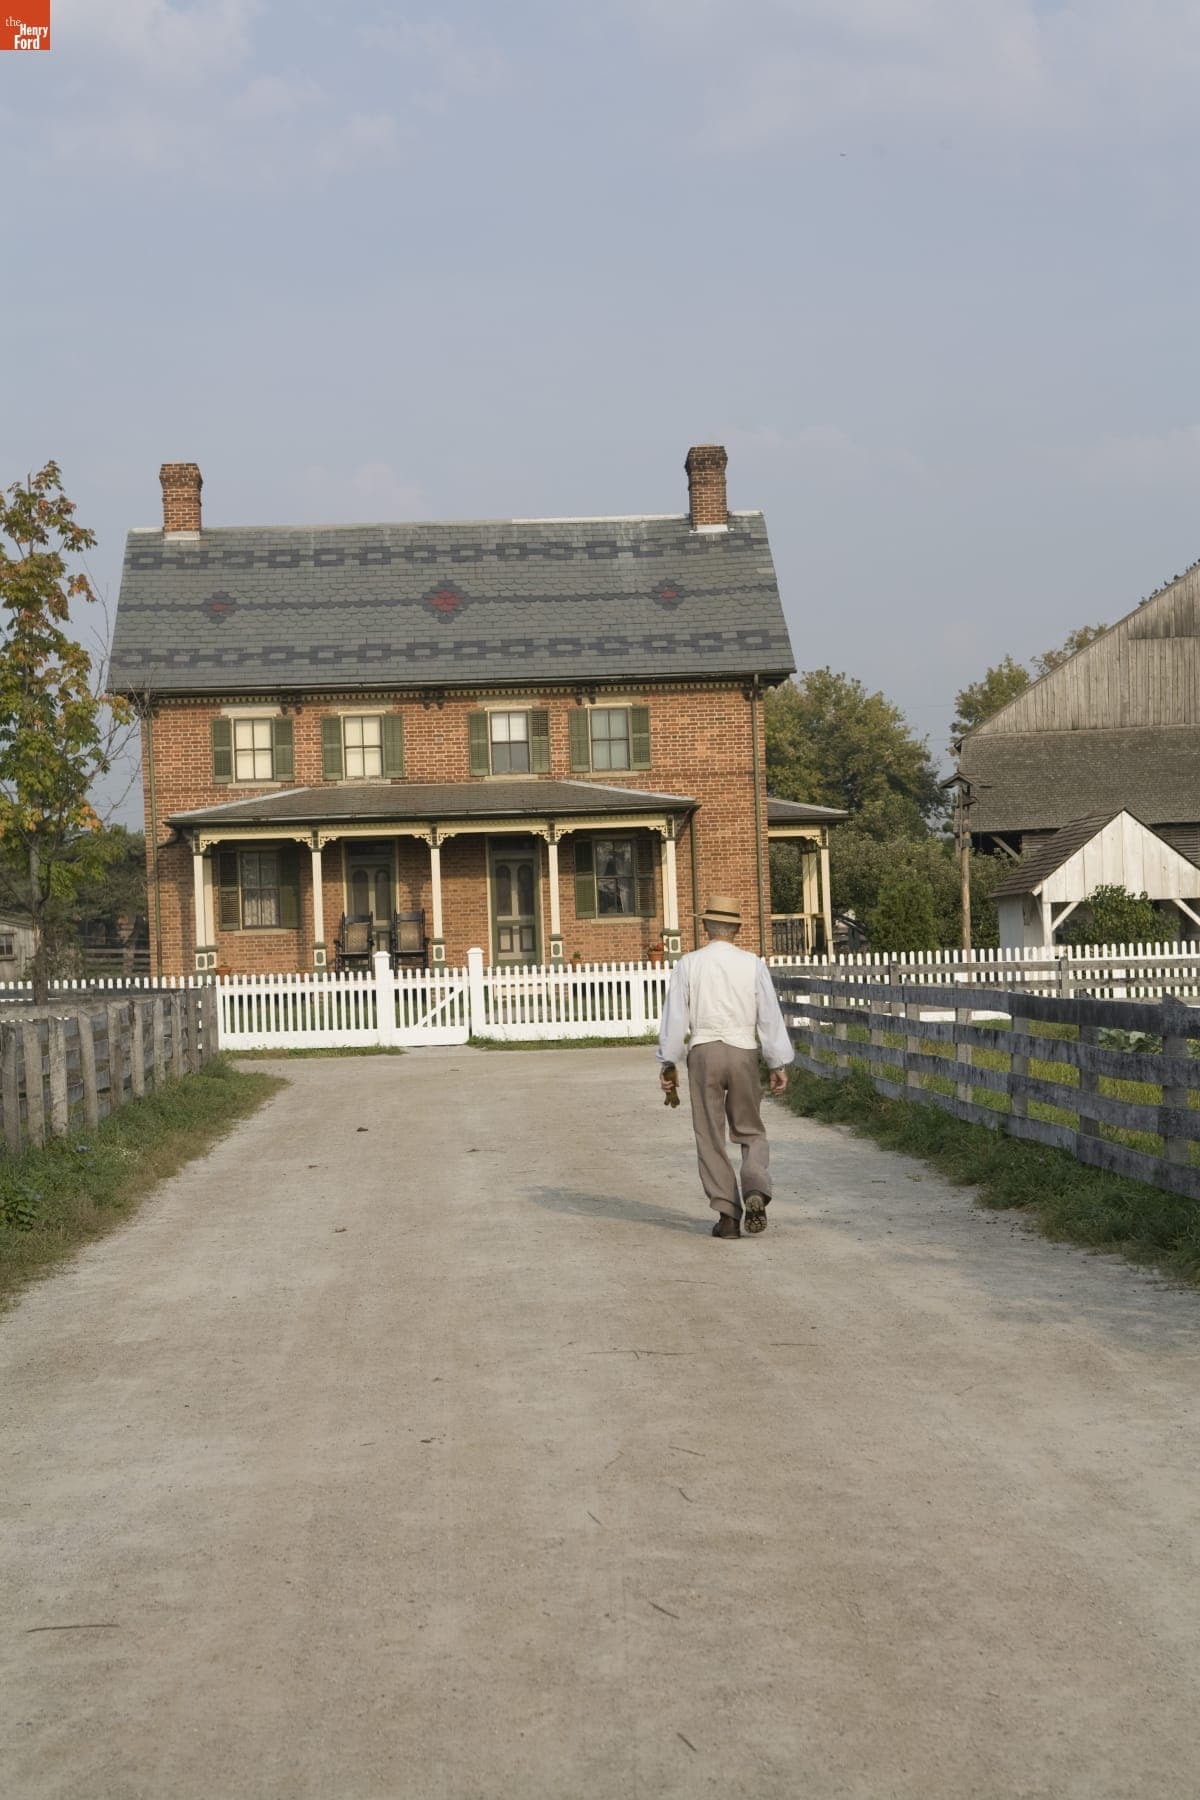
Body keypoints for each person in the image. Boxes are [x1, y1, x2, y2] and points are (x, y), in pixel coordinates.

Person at [657, 893, 795, 1240]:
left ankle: (728, 1216)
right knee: (750, 1130)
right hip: (743, 1051)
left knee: (710, 1135)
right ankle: (754, 1184)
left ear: (705, 926)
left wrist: (669, 1062)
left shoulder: (688, 964)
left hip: (704, 1051)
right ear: (735, 929)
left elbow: (676, 1019)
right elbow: (769, 1016)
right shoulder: (752, 964)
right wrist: (777, 1061)